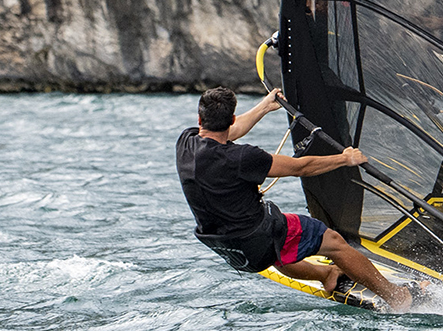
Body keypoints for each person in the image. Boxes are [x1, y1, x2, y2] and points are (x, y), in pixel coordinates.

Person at [176, 86, 413, 312]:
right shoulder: (242, 157)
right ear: (231, 119)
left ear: (200, 120)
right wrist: (345, 159)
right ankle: (396, 296)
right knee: (331, 240)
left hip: (228, 247)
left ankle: (325, 275)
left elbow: (230, 133)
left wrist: (264, 107)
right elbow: (302, 167)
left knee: (282, 240)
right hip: (258, 238)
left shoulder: (185, 143)